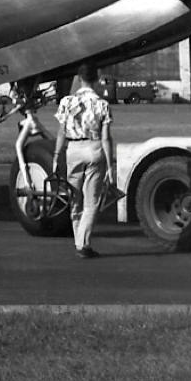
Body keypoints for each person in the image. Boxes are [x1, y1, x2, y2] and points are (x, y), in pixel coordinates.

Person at [54, 70, 115, 259]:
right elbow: (106, 138)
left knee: (75, 198)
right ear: (96, 80)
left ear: (79, 79)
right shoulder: (102, 104)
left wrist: (56, 155)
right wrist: (110, 165)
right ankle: (83, 243)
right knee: (92, 202)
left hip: (73, 148)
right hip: (94, 147)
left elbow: (61, 132)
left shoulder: (67, 102)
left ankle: (79, 241)